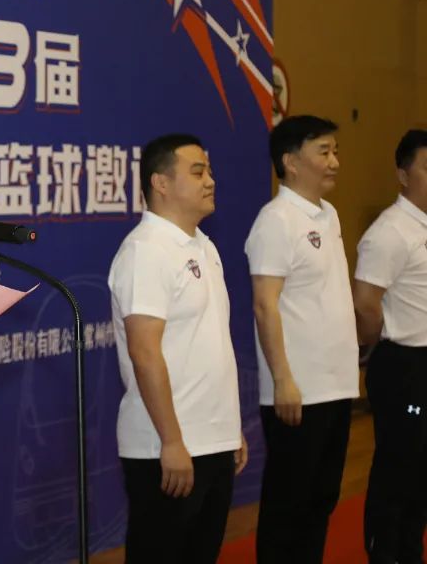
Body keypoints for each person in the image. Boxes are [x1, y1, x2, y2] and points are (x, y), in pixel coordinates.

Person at [108, 133, 247, 564]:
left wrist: (229, 429)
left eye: (210, 171)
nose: (211, 181)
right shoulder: (146, 251)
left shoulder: (203, 246)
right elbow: (145, 352)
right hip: (166, 447)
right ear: (161, 183)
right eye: (198, 171)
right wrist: (171, 441)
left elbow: (208, 345)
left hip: (211, 441)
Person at [245, 115, 358, 563]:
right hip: (298, 390)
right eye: (324, 152)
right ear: (291, 162)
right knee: (288, 502)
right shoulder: (276, 221)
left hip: (335, 384)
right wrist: (283, 380)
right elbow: (264, 305)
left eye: (335, 152)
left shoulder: (327, 215)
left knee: (321, 498)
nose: (335, 162)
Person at [353, 129, 427, 564]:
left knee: (421, 473)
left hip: (423, 362)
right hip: (402, 365)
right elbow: (365, 302)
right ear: (403, 175)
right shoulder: (390, 232)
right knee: (398, 468)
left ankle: (410, 552)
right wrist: (380, 343)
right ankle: (384, 553)